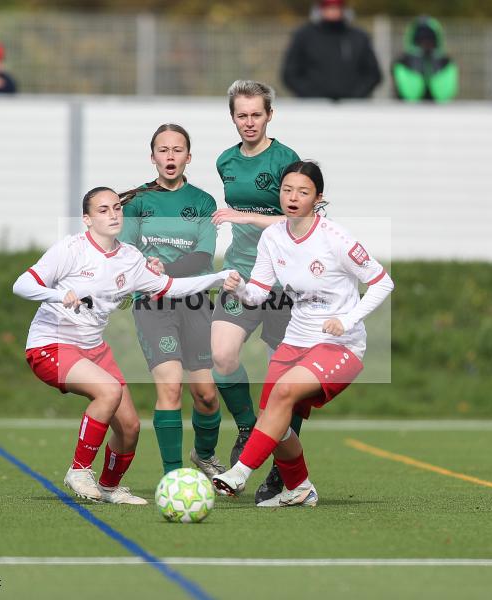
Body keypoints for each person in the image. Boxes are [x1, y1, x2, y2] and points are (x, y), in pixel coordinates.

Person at [12, 187, 232, 505]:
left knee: (129, 427)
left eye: (117, 208)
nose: (113, 214)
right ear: (87, 219)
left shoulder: (129, 258)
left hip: (93, 348)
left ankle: (109, 487)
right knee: (109, 391)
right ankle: (79, 469)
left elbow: (168, 287)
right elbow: (22, 284)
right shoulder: (70, 249)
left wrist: (218, 278)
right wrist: (58, 295)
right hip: (51, 344)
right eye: (103, 210)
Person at [212, 161, 394, 506]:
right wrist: (239, 289)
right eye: (287, 190)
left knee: (283, 392)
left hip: (339, 345)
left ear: (318, 198)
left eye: (303, 192)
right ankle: (299, 488)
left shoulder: (335, 238)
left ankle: (239, 472)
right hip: (295, 342)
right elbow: (258, 294)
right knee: (275, 422)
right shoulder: (272, 237)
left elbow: (383, 282)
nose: (293, 198)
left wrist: (348, 319)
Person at [118, 124, 227, 482]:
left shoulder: (203, 202)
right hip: (153, 304)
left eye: (177, 150)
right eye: (163, 150)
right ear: (152, 157)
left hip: (195, 302)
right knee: (170, 387)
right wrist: (147, 273)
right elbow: (127, 252)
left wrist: (166, 269)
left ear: (188, 157)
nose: (170, 156)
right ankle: (173, 477)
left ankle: (204, 455)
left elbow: (202, 257)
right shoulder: (137, 202)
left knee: (206, 395)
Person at [211, 80, 301, 504]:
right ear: (233, 117)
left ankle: (283, 472)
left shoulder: (287, 160)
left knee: (284, 383)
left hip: (284, 281)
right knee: (222, 356)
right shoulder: (225, 161)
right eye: (242, 115)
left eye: (256, 114)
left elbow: (296, 219)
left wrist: (243, 215)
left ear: (270, 115)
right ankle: (248, 425)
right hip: (241, 276)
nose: (249, 122)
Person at [281, 0, 382, 100]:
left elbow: (372, 74)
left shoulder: (359, 37)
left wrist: (355, 96)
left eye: (336, 7)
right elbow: (290, 73)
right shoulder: (304, 36)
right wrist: (312, 96)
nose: (332, 11)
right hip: (312, 106)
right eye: (328, 7)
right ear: (319, 10)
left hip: (352, 106)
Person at [392, 16, 458, 102]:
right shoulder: (403, 62)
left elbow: (444, 96)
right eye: (422, 41)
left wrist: (435, 67)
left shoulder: (446, 63)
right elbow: (411, 95)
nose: (426, 45)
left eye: (429, 41)